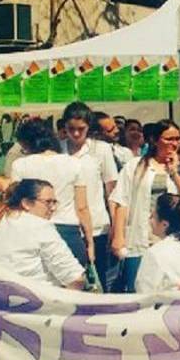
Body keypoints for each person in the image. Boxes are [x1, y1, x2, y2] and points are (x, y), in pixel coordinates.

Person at [110, 120, 180, 292]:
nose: (174, 143)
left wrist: (174, 172)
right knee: (137, 288)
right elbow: (122, 201)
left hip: (170, 240)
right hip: (140, 238)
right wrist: (118, 236)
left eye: (177, 139)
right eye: (169, 139)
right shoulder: (135, 166)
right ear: (155, 140)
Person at [10, 118, 94, 267]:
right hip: (68, 233)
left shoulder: (20, 165)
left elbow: (16, 204)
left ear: (27, 143)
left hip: (32, 232)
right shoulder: (74, 164)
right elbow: (82, 208)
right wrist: (90, 243)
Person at [0, 179, 85, 289]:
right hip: (35, 302)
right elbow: (75, 278)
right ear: (26, 203)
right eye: (48, 202)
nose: (53, 208)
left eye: (55, 202)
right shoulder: (40, 227)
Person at [62, 102, 118, 292]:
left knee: (98, 280)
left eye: (81, 129)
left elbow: (111, 189)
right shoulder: (57, 149)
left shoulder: (101, 150)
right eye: (71, 129)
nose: (76, 134)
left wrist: (116, 226)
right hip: (66, 225)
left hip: (97, 226)